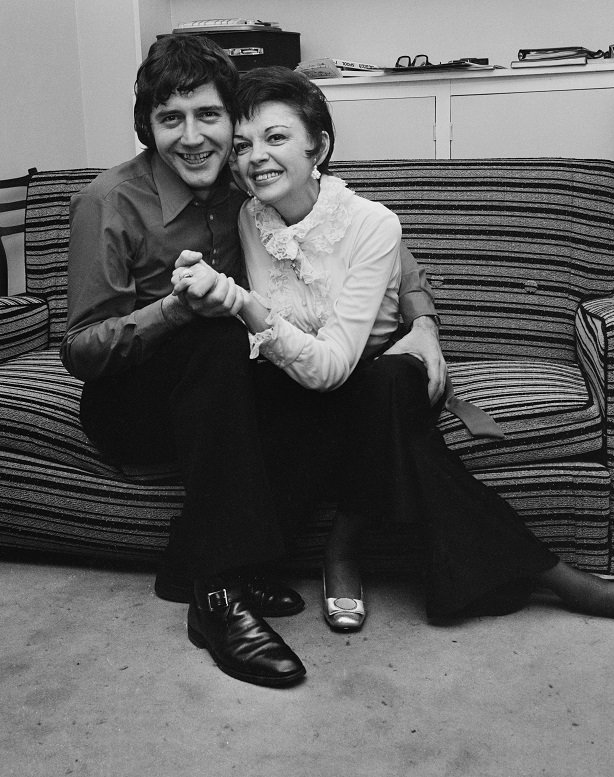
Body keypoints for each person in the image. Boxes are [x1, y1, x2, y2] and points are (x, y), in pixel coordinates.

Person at [173, 65, 614, 634]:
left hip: (369, 375)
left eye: (276, 137)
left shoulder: (372, 223)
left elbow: (335, 362)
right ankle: (560, 578)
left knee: (387, 384)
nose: (255, 158)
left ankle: (344, 546)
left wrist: (421, 328)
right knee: (391, 430)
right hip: (303, 386)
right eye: (242, 146)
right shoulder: (250, 217)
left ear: (319, 145)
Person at [60, 35, 447, 688]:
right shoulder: (110, 203)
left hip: (219, 393)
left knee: (325, 379)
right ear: (147, 127)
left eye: (209, 116)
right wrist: (177, 311)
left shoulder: (244, 182)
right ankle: (218, 593)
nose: (192, 138)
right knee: (216, 336)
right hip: (130, 402)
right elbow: (82, 350)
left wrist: (425, 321)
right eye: (170, 119)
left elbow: (362, 233)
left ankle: (188, 561)